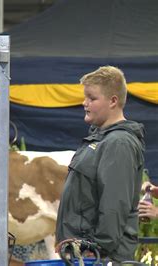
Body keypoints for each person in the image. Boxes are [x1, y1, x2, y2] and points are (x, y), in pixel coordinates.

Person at [55, 66, 146, 262]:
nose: (84, 103)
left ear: (113, 101)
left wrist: (98, 247)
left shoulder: (118, 143)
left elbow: (115, 203)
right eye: (85, 97)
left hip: (100, 258)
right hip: (85, 255)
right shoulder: (100, 140)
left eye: (92, 98)